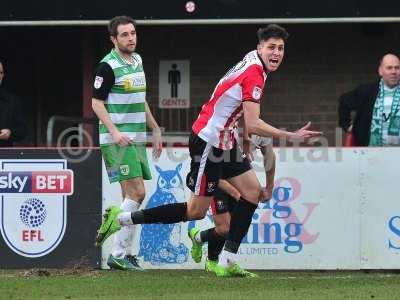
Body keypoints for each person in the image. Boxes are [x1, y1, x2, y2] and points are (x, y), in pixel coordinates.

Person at [95, 24, 322, 277]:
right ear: (260, 48)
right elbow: (254, 121)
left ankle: (226, 260)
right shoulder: (255, 73)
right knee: (195, 211)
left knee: (252, 193)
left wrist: (245, 139)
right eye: (271, 47)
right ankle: (122, 218)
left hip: (225, 141)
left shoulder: (255, 61)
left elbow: (240, 109)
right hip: (208, 142)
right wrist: (291, 135)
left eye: (280, 48)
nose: (276, 53)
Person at [91, 16, 163, 271]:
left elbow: (139, 98)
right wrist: (115, 132)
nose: (131, 38)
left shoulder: (138, 60)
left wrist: (154, 128)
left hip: (136, 138)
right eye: (124, 34)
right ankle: (118, 251)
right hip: (116, 141)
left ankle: (124, 253)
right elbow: (96, 104)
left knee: (129, 197)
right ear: (113, 39)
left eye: (133, 33)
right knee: (138, 193)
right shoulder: (107, 66)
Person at [188, 134, 275, 275]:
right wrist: (236, 192)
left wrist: (270, 187)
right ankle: (213, 260)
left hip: (239, 182)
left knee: (237, 228)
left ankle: (200, 239)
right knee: (225, 228)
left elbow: (270, 157)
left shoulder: (261, 130)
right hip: (217, 180)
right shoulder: (224, 129)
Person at [338, 53, 400, 146]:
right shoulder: (367, 91)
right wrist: (348, 126)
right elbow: (344, 101)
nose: (394, 71)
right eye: (389, 68)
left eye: (397, 68)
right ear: (380, 71)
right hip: (370, 153)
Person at [0, 61, 27, 147]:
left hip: (4, 154)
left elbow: (22, 130)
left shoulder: (12, 101)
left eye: (0, 72)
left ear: (3, 75)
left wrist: (10, 133)